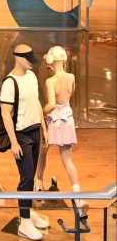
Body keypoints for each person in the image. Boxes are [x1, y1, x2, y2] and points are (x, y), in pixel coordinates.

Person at [0, 44, 50, 241]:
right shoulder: (10, 83)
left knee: (31, 173)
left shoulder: (31, 76)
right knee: (27, 177)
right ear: (19, 58)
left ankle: (27, 212)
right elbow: (6, 113)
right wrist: (13, 142)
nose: (31, 61)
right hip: (21, 135)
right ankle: (25, 222)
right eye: (28, 58)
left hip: (35, 130)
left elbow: (36, 101)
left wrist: (43, 128)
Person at [36, 46, 88, 218]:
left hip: (53, 119)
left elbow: (51, 104)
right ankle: (79, 198)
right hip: (67, 119)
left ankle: (38, 184)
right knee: (68, 160)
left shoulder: (51, 81)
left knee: (42, 153)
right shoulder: (71, 77)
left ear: (50, 60)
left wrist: (40, 112)